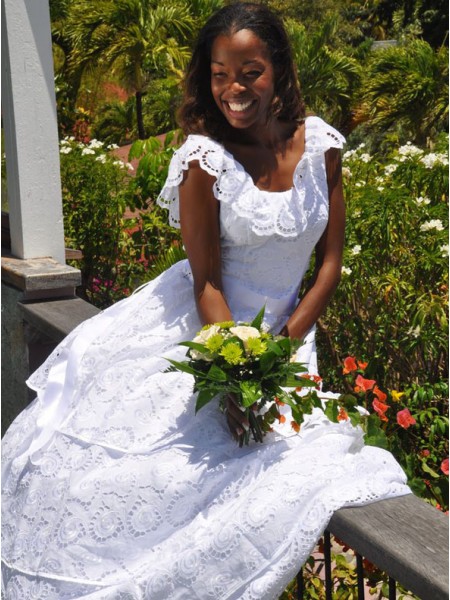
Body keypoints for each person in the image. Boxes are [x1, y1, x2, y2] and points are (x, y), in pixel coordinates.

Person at [1, 3, 409, 599]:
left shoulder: (321, 146)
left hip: (286, 339)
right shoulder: (205, 161)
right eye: (220, 74)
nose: (233, 90)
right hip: (206, 330)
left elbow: (329, 265)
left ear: (279, 68)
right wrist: (236, 372)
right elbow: (206, 284)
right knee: (150, 479)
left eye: (250, 72)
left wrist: (278, 355)